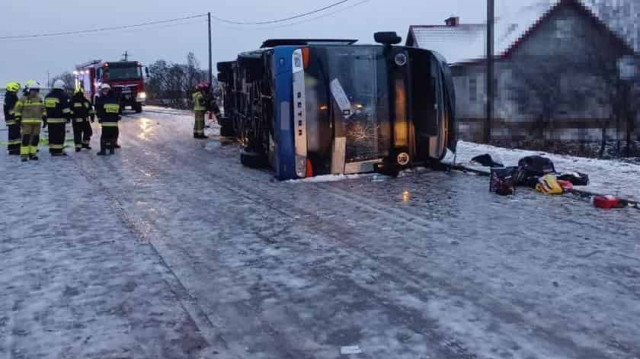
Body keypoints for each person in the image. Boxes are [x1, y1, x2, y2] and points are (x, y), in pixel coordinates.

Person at [13, 81, 46, 161]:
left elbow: (43, 109)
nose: (35, 92)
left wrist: (45, 118)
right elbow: (17, 109)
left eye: (36, 90)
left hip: (37, 123)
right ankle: (24, 155)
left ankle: (32, 154)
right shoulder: (23, 99)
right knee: (26, 138)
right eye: (33, 90)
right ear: (29, 90)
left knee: (35, 139)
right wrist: (17, 118)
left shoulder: (39, 99)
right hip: (26, 122)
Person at [44, 80, 73, 156]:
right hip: (60, 120)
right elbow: (65, 108)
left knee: (52, 135)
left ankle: (52, 149)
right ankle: (58, 151)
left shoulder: (48, 96)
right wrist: (68, 117)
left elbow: (45, 108)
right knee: (59, 136)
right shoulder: (63, 96)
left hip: (50, 120)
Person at [94, 84, 120, 155]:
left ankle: (103, 151)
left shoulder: (101, 99)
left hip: (105, 122)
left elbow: (99, 110)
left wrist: (99, 118)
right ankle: (112, 150)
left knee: (104, 137)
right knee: (112, 136)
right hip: (114, 122)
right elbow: (119, 109)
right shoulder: (114, 99)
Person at [70, 87, 95, 152]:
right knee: (77, 134)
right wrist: (71, 117)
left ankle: (85, 144)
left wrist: (92, 116)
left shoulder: (85, 101)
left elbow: (90, 110)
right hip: (77, 121)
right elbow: (70, 111)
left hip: (85, 121)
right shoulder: (73, 101)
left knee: (88, 132)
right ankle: (78, 147)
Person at [3, 82, 21, 155]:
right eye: (16, 89)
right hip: (12, 118)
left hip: (9, 118)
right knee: (16, 134)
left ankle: (12, 148)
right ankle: (16, 148)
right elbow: (12, 109)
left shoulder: (7, 96)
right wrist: (18, 115)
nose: (17, 91)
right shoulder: (12, 96)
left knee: (12, 134)